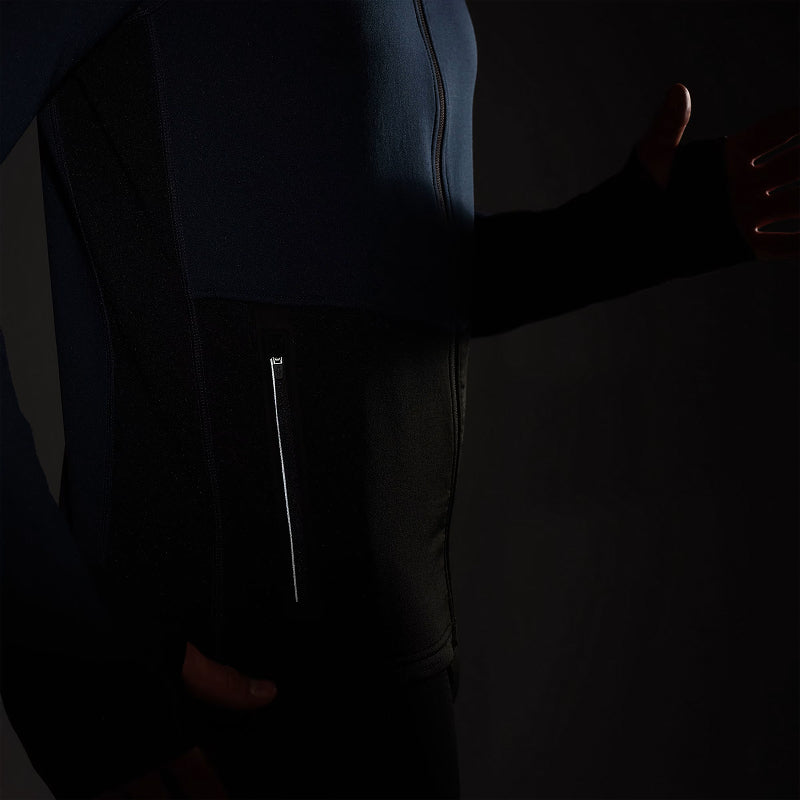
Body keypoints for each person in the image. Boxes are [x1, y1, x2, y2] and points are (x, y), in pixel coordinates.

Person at [0, 1, 796, 798]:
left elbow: (394, 282)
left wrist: (637, 231)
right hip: (213, 701)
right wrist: (71, 658)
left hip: (403, 677)